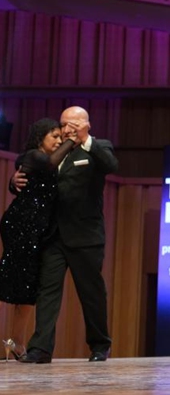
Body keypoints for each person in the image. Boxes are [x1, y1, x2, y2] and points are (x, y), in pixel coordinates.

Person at [11, 107, 118, 363]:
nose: (66, 129)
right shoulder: (53, 152)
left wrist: (86, 140)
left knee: (91, 293)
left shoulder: (98, 147)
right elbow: (33, 178)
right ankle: (41, 349)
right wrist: (13, 182)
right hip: (53, 235)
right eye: (63, 124)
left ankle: (100, 345)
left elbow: (111, 165)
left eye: (72, 124)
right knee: (47, 292)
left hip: (85, 235)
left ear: (85, 124)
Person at [1, 119, 76, 361]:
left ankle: (15, 341)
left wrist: (12, 183)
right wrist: (72, 139)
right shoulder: (34, 156)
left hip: (37, 231)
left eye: (60, 137)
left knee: (27, 289)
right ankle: (15, 341)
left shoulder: (46, 161)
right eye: (54, 136)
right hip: (22, 226)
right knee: (17, 284)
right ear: (39, 138)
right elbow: (49, 164)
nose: (58, 141)